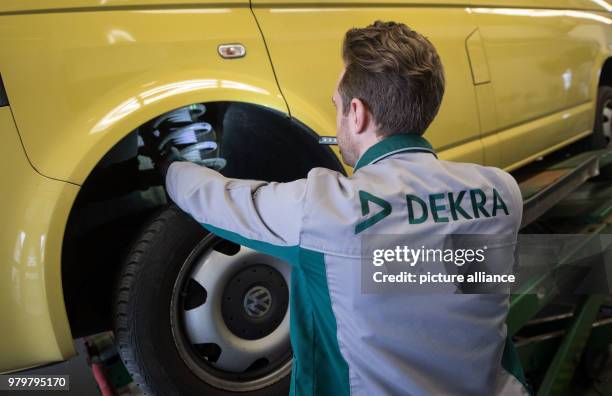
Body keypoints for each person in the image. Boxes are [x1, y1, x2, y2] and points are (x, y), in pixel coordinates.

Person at [164, 20, 530, 396]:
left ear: (357, 114)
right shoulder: (500, 190)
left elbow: (210, 198)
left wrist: (171, 167)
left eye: (336, 107)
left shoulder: (324, 208)